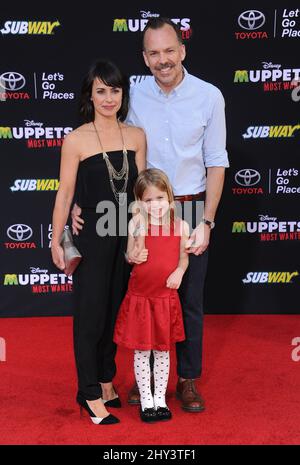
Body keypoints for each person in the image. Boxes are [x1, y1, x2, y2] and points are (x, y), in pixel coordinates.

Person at [72, 17, 229, 413]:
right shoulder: (133, 92)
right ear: (144, 57)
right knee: (139, 295)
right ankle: (144, 378)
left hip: (190, 206)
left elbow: (216, 161)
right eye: (154, 53)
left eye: (169, 51)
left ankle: (186, 379)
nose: (163, 60)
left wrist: (207, 220)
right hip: (137, 210)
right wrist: (81, 200)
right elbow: (100, 140)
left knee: (188, 299)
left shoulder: (209, 96)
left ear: (183, 50)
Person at [51, 59, 146, 425]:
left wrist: (138, 232)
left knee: (114, 311)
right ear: (90, 95)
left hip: (125, 233)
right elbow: (64, 194)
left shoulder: (136, 135)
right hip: (92, 233)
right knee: (90, 315)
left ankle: (107, 380)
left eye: (115, 90)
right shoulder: (76, 139)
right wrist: (56, 237)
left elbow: (138, 192)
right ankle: (88, 392)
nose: (109, 98)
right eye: (101, 91)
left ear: (124, 94)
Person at [114, 168, 189, 423]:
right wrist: (133, 254)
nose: (155, 205)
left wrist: (179, 271)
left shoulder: (181, 225)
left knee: (163, 351)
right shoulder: (137, 223)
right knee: (142, 351)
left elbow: (183, 257)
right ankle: (146, 400)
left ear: (169, 197)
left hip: (165, 298)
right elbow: (128, 255)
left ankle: (160, 399)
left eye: (160, 198)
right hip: (141, 298)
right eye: (148, 200)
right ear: (139, 202)